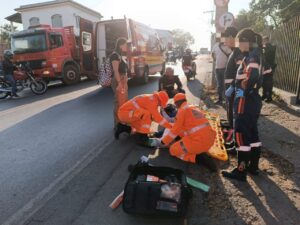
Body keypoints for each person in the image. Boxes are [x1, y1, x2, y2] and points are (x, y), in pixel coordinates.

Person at [222, 28, 263, 181]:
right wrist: (234, 84)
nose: (238, 45)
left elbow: (251, 76)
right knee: (252, 134)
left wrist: (244, 91)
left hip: (245, 102)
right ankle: (253, 167)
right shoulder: (257, 54)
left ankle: (241, 171)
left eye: (239, 42)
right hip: (253, 101)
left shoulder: (252, 57)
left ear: (245, 41)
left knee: (240, 135)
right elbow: (245, 75)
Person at [152, 93, 217, 172]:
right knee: (176, 130)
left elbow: (174, 131)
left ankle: (199, 158)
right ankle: (197, 151)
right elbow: (185, 127)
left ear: (177, 103)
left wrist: (163, 142)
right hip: (209, 139)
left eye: (175, 104)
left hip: (199, 142)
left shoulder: (182, 111)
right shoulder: (193, 107)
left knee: (173, 150)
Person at [224, 27, 241, 129]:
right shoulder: (235, 51)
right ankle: (232, 127)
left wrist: (233, 86)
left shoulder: (238, 52)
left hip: (234, 89)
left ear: (231, 37)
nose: (225, 42)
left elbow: (241, 72)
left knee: (234, 112)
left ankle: (234, 133)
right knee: (231, 110)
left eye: (226, 39)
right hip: (231, 89)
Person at [110, 37, 128, 130]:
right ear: (121, 45)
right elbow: (116, 71)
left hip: (122, 79)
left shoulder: (120, 55)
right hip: (119, 79)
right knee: (118, 102)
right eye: (125, 44)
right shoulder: (115, 55)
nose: (127, 46)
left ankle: (122, 121)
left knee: (123, 102)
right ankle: (117, 124)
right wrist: (120, 83)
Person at [212, 32, 232, 104]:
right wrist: (215, 59)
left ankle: (227, 100)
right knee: (219, 84)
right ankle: (220, 99)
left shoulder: (227, 46)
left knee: (226, 84)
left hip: (225, 68)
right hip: (217, 68)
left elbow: (230, 55)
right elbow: (213, 53)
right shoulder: (215, 46)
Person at [262, 36, 277, 102]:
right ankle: (266, 95)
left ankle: (268, 96)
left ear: (266, 40)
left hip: (267, 67)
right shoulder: (272, 47)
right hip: (269, 67)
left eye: (263, 41)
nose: (263, 42)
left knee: (267, 82)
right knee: (267, 82)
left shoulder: (266, 48)